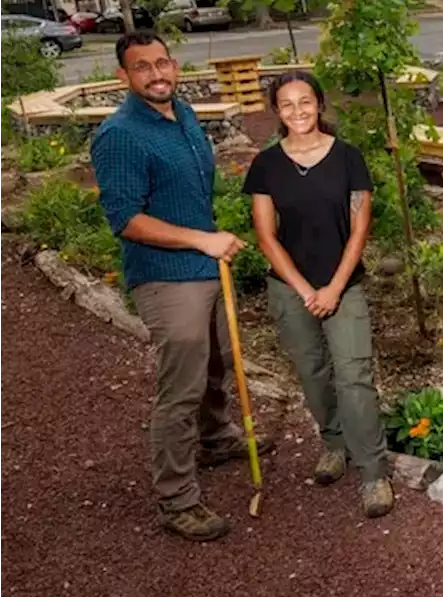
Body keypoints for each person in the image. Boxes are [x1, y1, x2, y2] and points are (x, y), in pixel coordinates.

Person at [90, 31, 274, 542]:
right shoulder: (120, 135)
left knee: (217, 362)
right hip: (166, 276)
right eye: (142, 67)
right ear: (122, 77)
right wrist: (202, 239)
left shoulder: (184, 114)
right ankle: (177, 497)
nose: (156, 74)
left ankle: (214, 437)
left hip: (205, 264)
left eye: (162, 63)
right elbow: (125, 218)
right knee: (182, 385)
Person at [242, 70, 393, 519]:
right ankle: (333, 443)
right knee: (311, 371)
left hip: (343, 285)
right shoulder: (266, 165)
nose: (297, 111)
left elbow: (360, 226)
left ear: (319, 104)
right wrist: (308, 290)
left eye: (304, 101)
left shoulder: (348, 157)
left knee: (355, 376)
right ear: (276, 111)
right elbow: (266, 236)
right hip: (291, 289)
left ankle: (373, 472)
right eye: (286, 104)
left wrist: (334, 287)